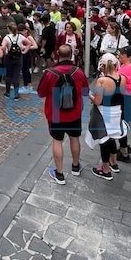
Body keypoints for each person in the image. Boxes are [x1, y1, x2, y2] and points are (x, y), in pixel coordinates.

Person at [37, 45, 88, 184]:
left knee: (57, 141)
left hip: (55, 113)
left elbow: (41, 92)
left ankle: (59, 174)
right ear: (72, 54)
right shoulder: (78, 71)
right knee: (74, 138)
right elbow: (85, 92)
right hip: (74, 112)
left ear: (57, 54)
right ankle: (76, 167)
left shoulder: (49, 73)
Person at [86, 53, 129, 180]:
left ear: (102, 66)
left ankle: (105, 169)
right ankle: (114, 163)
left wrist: (89, 95)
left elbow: (98, 101)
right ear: (116, 64)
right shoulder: (123, 78)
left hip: (103, 112)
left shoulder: (102, 81)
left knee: (103, 139)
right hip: (116, 112)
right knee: (111, 138)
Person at [0, 23, 32, 100]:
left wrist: (5, 51)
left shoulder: (7, 38)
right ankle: (16, 95)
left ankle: (7, 92)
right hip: (19, 58)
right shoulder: (20, 37)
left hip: (9, 58)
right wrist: (24, 52)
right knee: (16, 76)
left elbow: (3, 47)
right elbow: (29, 43)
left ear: (9, 29)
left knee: (8, 75)